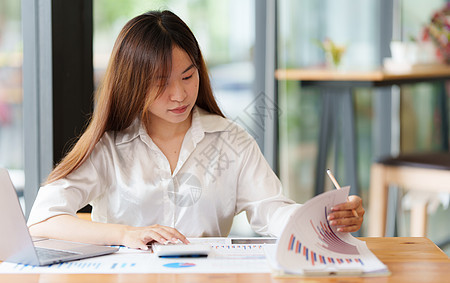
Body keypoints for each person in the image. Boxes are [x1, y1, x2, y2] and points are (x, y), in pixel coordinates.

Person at [27, 10, 365, 250]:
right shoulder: (110, 145)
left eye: (188, 76)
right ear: (131, 84)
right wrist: (125, 234)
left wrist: (325, 217)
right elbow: (42, 222)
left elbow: (272, 211)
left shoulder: (230, 140)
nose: (180, 95)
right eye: (160, 84)